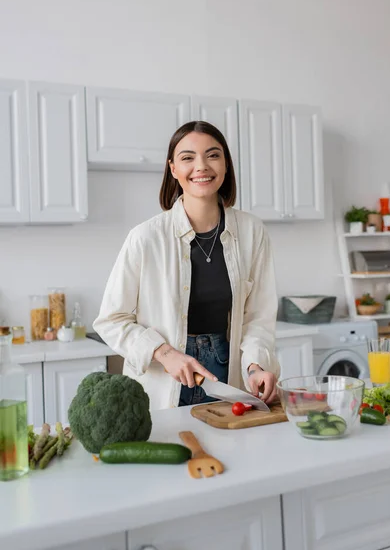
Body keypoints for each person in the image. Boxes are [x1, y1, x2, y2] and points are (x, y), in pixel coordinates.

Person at [93, 121, 280, 411]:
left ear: (226, 165)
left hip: (228, 376)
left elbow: (258, 317)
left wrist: (255, 367)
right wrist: (164, 352)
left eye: (213, 155)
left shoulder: (253, 232)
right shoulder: (145, 237)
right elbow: (111, 320)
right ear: (173, 169)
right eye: (188, 157)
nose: (201, 166)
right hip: (162, 380)